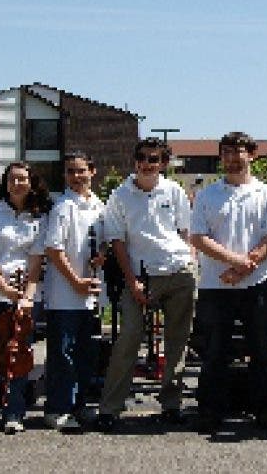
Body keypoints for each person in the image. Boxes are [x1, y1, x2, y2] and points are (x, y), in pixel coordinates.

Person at [96, 138, 197, 431]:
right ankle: (110, 408)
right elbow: (117, 241)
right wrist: (132, 281)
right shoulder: (120, 195)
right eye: (142, 158)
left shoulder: (174, 190)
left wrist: (191, 262)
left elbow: (186, 231)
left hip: (179, 272)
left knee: (178, 342)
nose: (147, 164)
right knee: (128, 338)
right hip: (141, 277)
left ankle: (171, 405)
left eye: (154, 159)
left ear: (163, 163)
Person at [190, 132, 267, 433]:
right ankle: (210, 410)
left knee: (262, 351)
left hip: (259, 284)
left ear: (251, 155)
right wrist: (235, 262)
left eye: (238, 151)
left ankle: (266, 409)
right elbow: (198, 237)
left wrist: (244, 268)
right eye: (227, 152)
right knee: (214, 351)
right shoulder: (206, 195)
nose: (232, 157)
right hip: (216, 286)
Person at [0, 162, 51, 434]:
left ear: (31, 183)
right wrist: (4, 288)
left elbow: (36, 261)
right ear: (5, 183)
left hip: (25, 294)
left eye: (22, 179)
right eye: (12, 179)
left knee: (19, 355)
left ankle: (14, 412)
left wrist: (27, 297)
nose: (17, 184)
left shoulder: (39, 216)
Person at [38, 151, 106, 434]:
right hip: (64, 296)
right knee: (62, 355)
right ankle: (57, 408)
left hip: (90, 295)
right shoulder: (62, 207)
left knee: (85, 355)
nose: (76, 176)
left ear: (92, 171)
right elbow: (54, 250)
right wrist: (76, 281)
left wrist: (101, 256)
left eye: (81, 170)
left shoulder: (100, 206)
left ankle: (79, 405)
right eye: (70, 171)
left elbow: (103, 244)